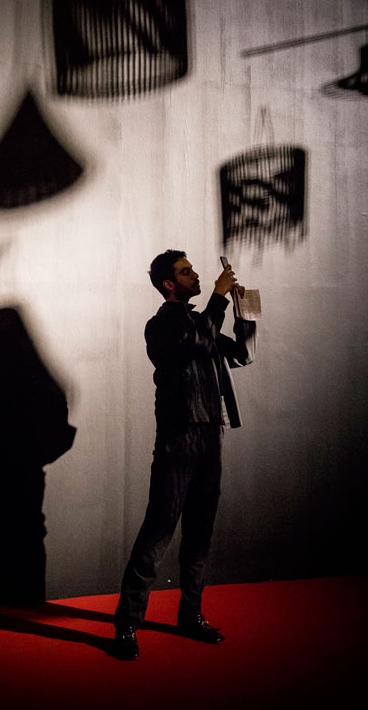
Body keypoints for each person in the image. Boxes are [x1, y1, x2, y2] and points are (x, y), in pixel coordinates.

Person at [113, 250, 257, 659]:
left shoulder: (202, 321)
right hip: (179, 438)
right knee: (158, 532)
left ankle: (190, 615)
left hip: (212, 435)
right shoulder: (160, 326)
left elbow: (244, 355)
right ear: (168, 284)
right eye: (186, 271)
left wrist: (244, 309)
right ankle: (126, 624)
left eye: (194, 270)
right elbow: (194, 345)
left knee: (200, 533)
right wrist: (217, 297)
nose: (195, 275)